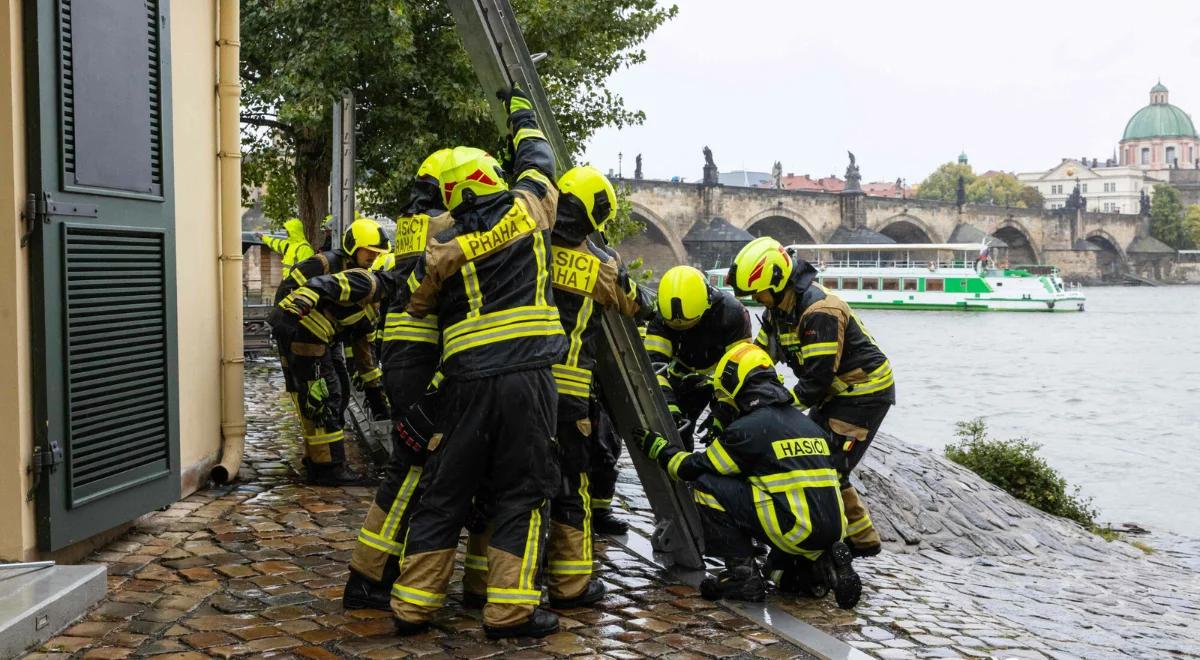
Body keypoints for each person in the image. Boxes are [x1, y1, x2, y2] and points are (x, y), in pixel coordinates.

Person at [389, 86, 565, 639]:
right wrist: (518, 112)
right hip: (529, 381)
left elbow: (412, 299)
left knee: (444, 489)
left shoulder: (445, 247)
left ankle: (413, 606)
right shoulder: (531, 208)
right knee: (522, 489)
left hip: (464, 385)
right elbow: (539, 159)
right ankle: (509, 611)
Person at [633, 343, 861, 609]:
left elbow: (695, 467)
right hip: (831, 529)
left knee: (706, 485)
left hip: (794, 528)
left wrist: (662, 450)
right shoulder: (807, 425)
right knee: (779, 576)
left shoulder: (749, 428)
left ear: (735, 383)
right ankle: (821, 567)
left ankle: (743, 576)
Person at [728, 237, 895, 558]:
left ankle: (860, 541)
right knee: (815, 457)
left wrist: (773, 410)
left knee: (829, 464)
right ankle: (856, 538)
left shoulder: (820, 312)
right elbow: (760, 355)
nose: (757, 300)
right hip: (835, 393)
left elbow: (816, 381)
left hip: (863, 393)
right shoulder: (780, 308)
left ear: (776, 282)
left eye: (757, 292)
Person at [537, 165, 652, 607]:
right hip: (569, 395)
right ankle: (571, 584)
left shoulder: (529, 247)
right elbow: (636, 302)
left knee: (510, 480)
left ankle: (490, 583)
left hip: (520, 382)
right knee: (571, 485)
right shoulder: (603, 266)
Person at [268, 218, 392, 486]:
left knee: (340, 392)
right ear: (353, 246)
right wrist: (288, 323)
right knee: (323, 397)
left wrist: (375, 392)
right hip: (304, 335)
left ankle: (319, 459)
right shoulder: (324, 264)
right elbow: (292, 291)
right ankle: (329, 468)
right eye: (368, 251)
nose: (372, 258)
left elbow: (364, 350)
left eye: (377, 255)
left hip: (326, 339)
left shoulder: (370, 302)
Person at [643, 265, 751, 449]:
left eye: (691, 324)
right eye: (678, 328)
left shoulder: (733, 313)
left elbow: (742, 370)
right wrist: (668, 404)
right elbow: (653, 366)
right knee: (674, 431)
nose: (686, 331)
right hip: (683, 377)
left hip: (723, 381)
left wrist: (723, 413)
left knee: (733, 433)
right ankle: (678, 471)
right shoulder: (662, 316)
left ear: (706, 305)